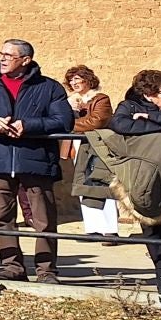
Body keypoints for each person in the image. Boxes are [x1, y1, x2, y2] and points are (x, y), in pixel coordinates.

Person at [0, 39, 72, 283]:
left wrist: (29, 126)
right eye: (1, 53)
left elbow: (64, 121)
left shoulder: (49, 87)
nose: (2, 58)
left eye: (9, 55)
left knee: (44, 220)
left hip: (37, 161)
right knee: (3, 218)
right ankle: (12, 267)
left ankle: (46, 271)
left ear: (25, 60)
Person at [102, 69, 161, 297]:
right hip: (144, 176)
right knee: (152, 224)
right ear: (149, 94)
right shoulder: (129, 105)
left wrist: (152, 117)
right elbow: (120, 125)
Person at [63, 66, 119, 237]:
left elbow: (97, 121)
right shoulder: (70, 101)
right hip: (77, 146)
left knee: (102, 184)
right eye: (71, 80)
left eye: (77, 78)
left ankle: (110, 230)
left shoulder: (100, 99)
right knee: (83, 185)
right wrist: (69, 110)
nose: (74, 83)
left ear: (88, 80)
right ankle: (92, 228)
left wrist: (69, 125)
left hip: (97, 147)